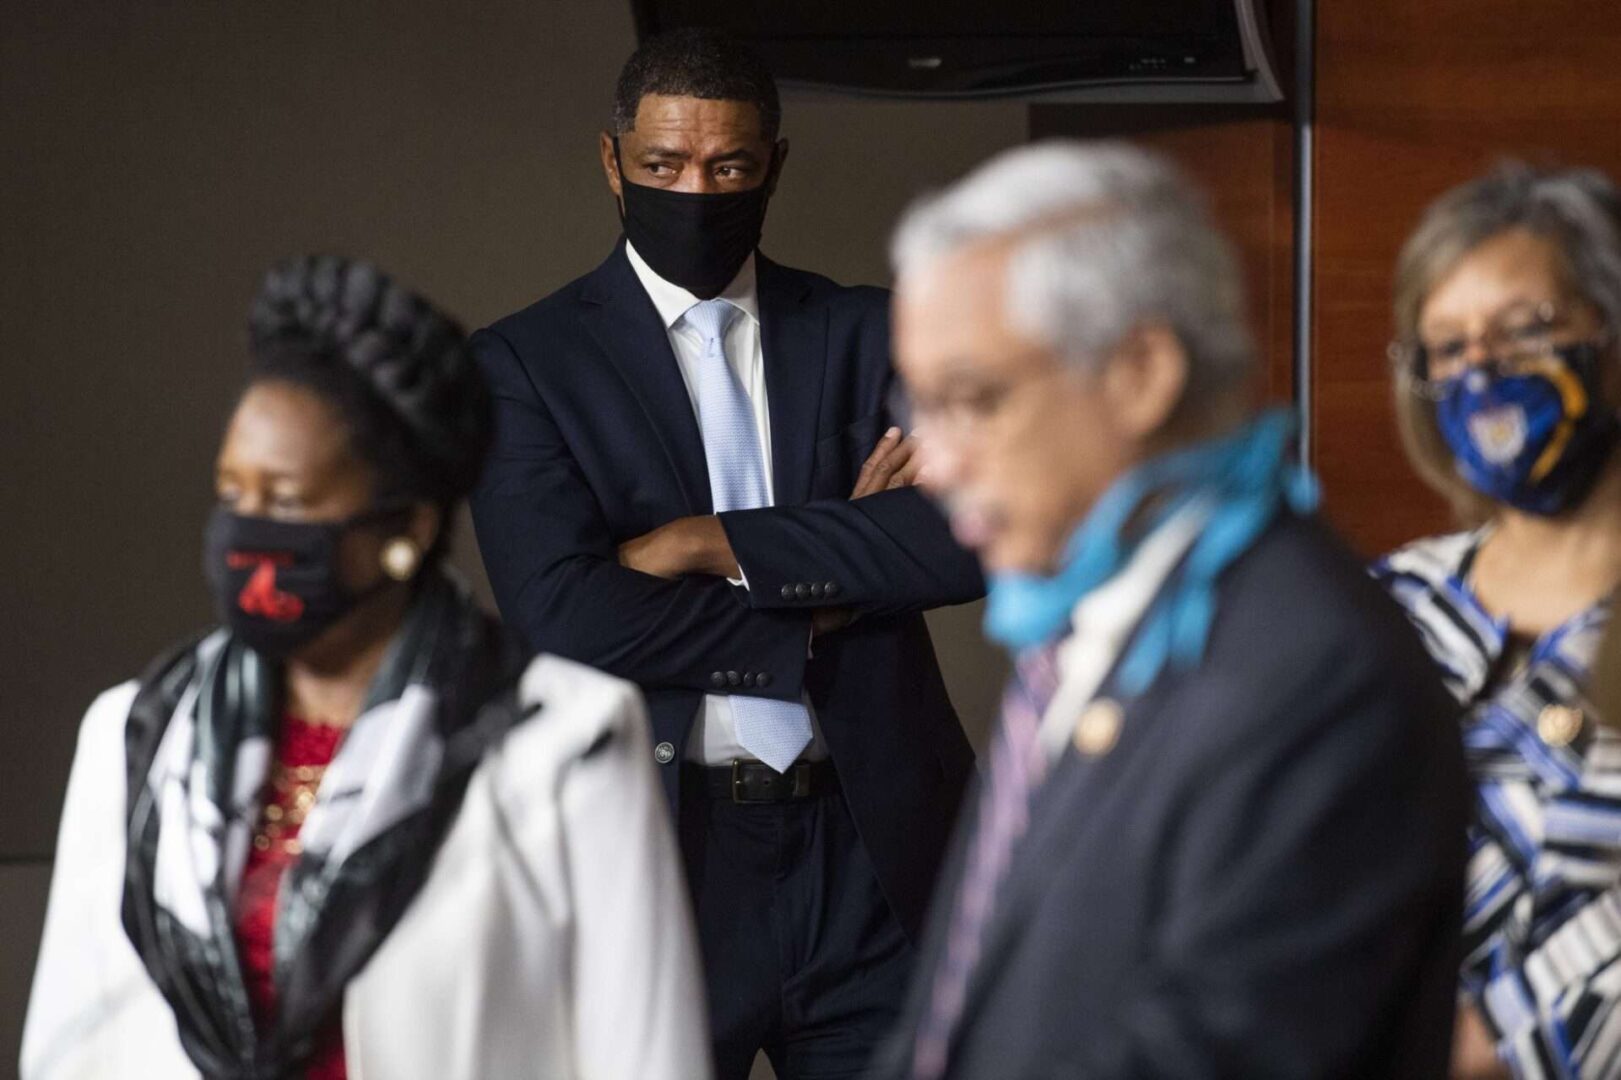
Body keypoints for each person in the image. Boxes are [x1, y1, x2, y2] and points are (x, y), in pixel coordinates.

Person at [20, 256, 708, 1080]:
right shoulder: (133, 734)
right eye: (232, 497)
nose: (247, 536)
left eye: (285, 503)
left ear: (409, 530)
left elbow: (643, 1055)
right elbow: (70, 1046)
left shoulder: (565, 741)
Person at [868, 141, 1469, 1078]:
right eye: (921, 405)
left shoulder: (1313, 681)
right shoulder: (1083, 633)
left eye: (971, 400)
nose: (934, 465)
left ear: (1140, 371)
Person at [469, 28, 983, 1080]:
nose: (694, 190)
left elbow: (978, 533)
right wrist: (837, 582)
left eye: (728, 167)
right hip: (664, 854)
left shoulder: (875, 333)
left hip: (875, 854)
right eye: (663, 165)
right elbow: (565, 614)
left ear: (774, 167)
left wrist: (710, 543)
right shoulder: (522, 364)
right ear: (612, 163)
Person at [1373, 163, 1621, 1079]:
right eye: (1447, 345)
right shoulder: (1388, 602)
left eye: (1524, 330)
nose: (1480, 370)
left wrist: (1489, 1035)